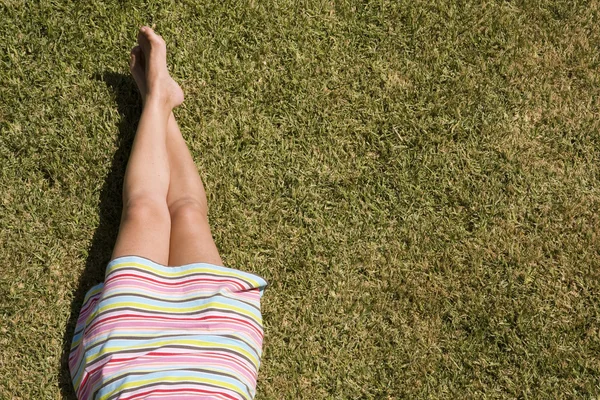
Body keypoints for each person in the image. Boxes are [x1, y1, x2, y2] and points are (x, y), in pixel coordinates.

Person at [68, 26, 267, 400]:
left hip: (131, 374)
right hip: (213, 371)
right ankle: (158, 97)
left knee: (144, 211)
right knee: (189, 214)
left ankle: (156, 97)